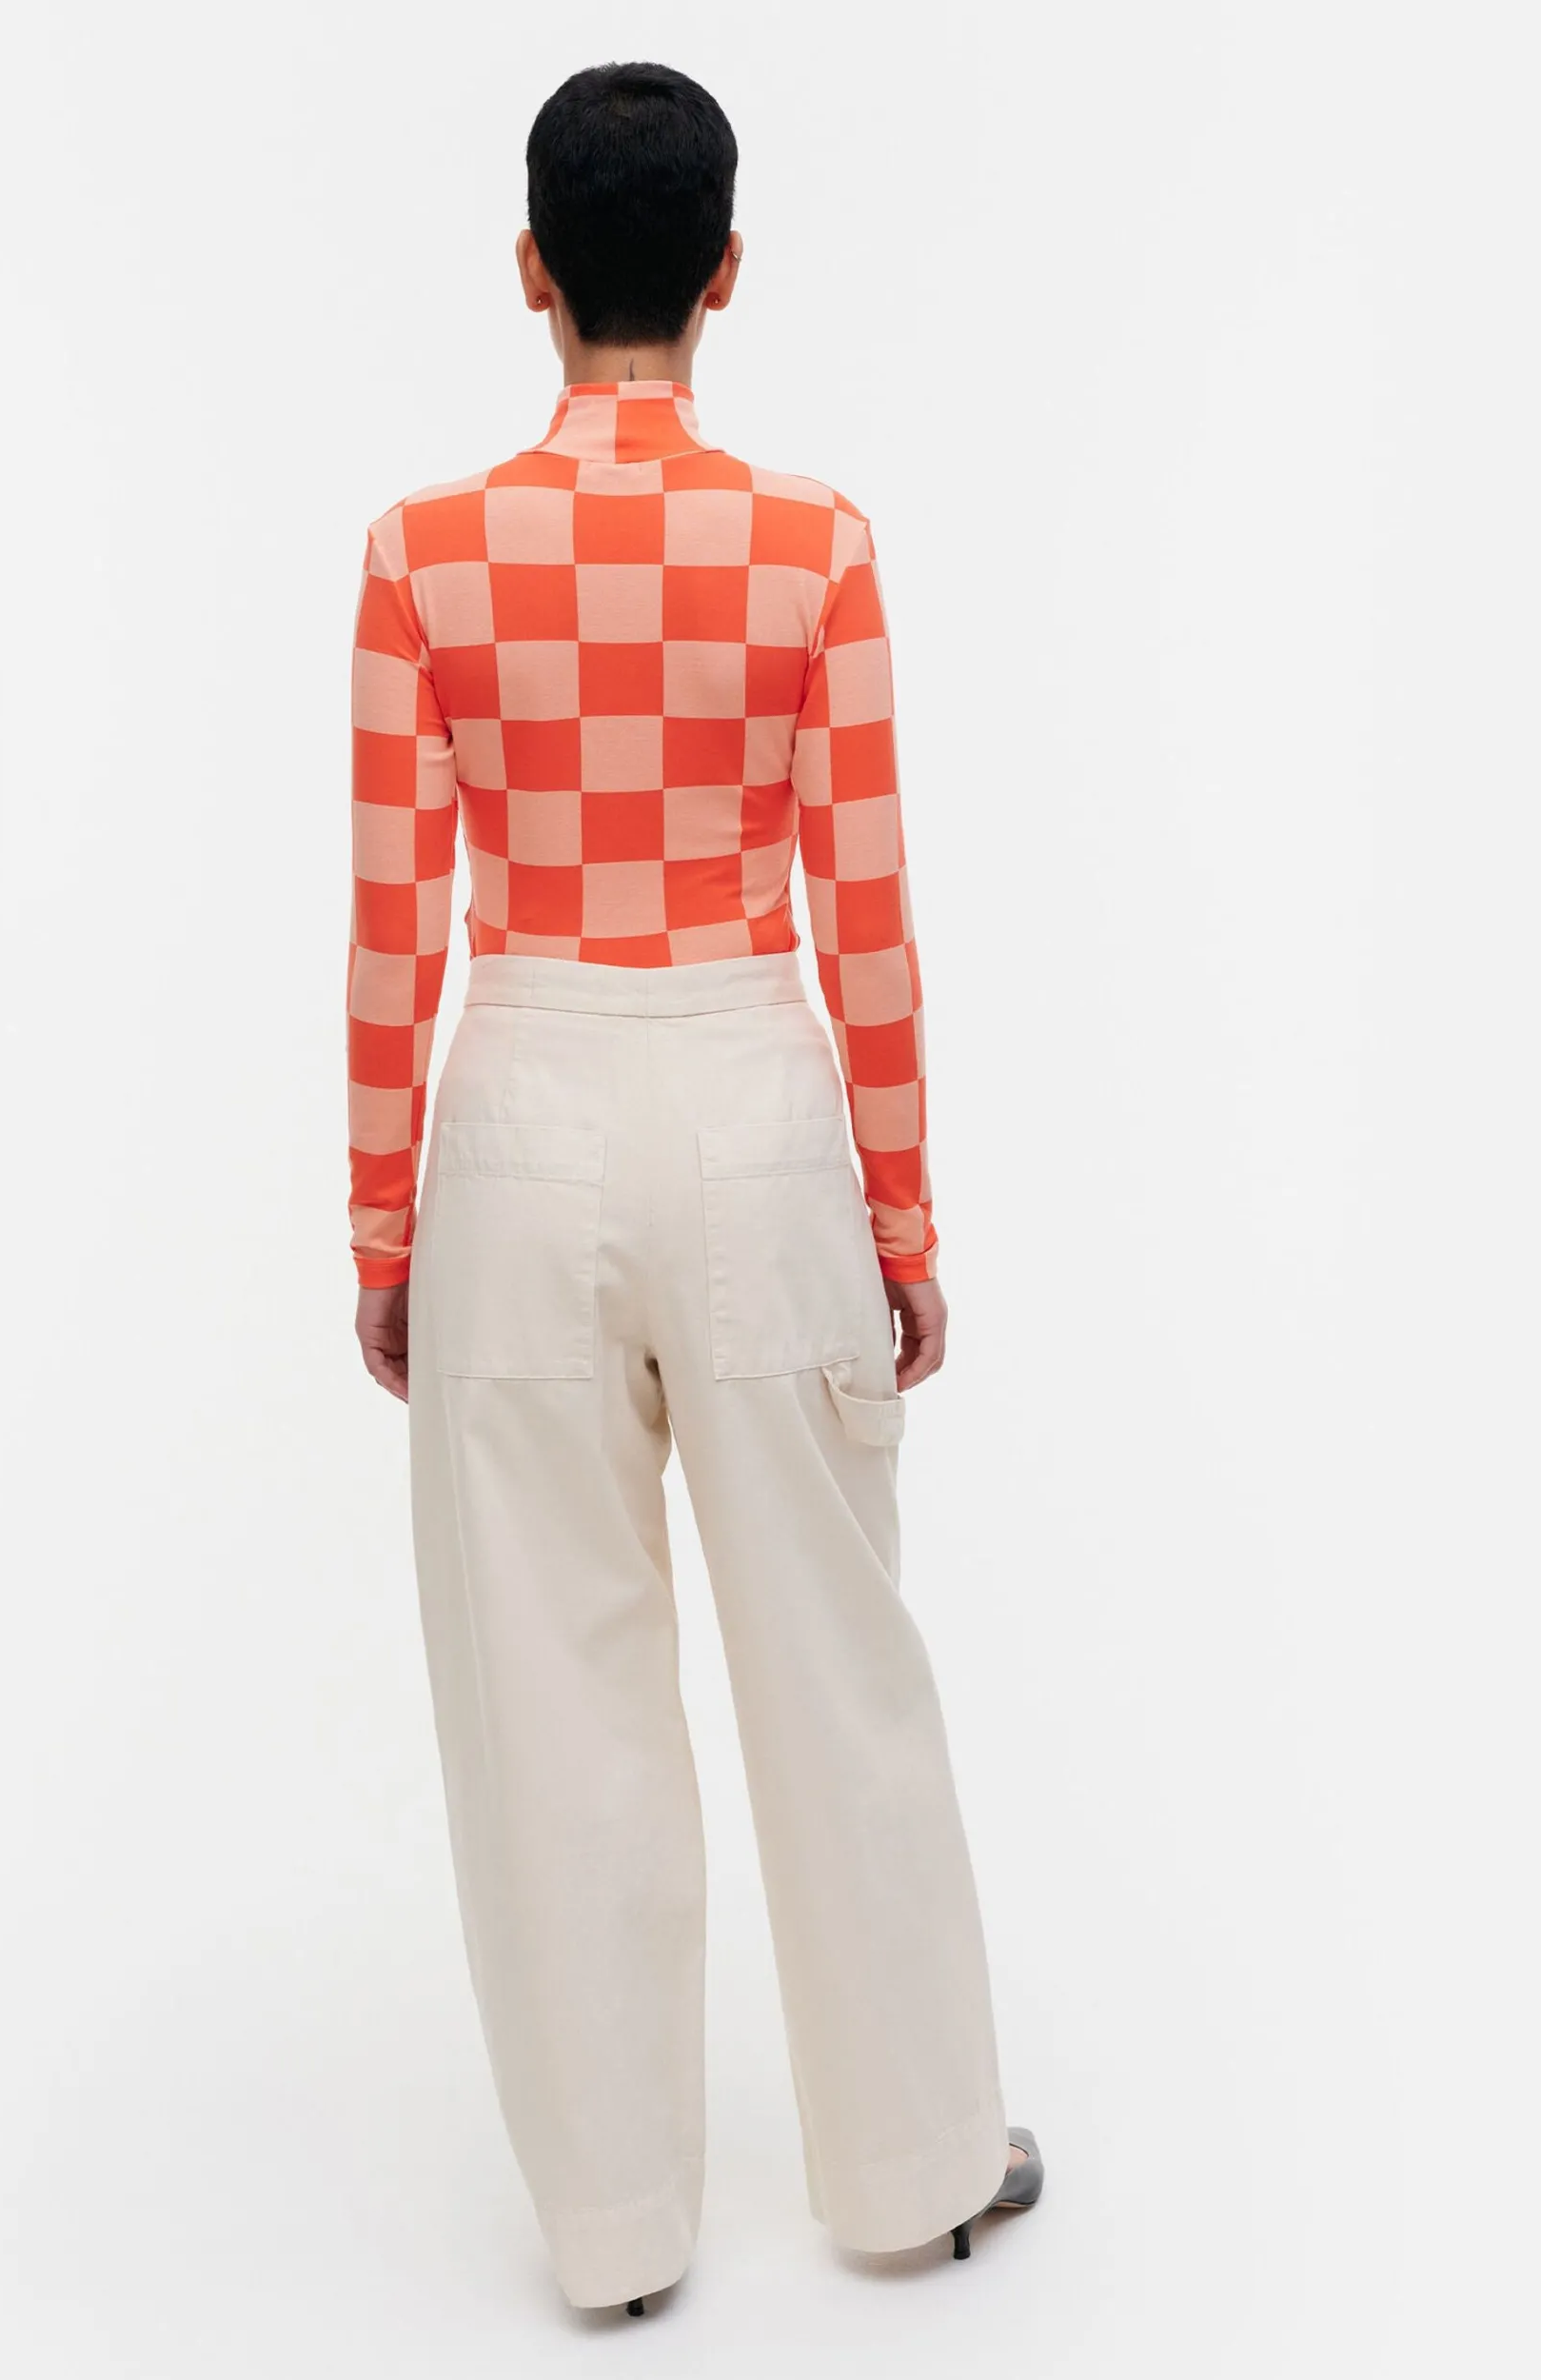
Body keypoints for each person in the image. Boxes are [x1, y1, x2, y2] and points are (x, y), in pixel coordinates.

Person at [346, 60, 1041, 2316]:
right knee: (840, 1659)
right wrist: (903, 1225)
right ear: (725, 273)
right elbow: (868, 915)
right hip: (751, 1095)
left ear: (528, 271)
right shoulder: (813, 547)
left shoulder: (421, 556)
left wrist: (383, 1230)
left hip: (520, 1105)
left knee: (549, 1698)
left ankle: (617, 2232)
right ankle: (917, 2166)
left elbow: (392, 927)